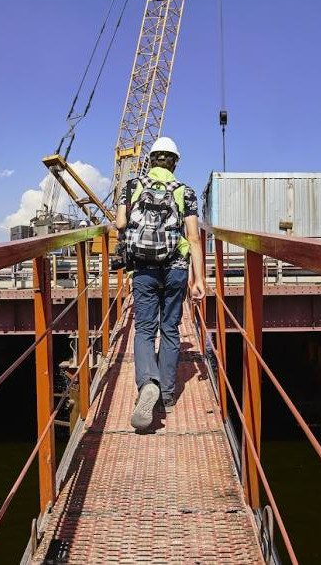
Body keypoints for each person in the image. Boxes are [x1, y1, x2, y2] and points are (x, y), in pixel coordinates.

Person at [114, 136, 205, 431]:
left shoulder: (132, 186)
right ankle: (166, 395)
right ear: (175, 163)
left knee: (144, 329)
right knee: (169, 329)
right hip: (176, 267)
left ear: (150, 160)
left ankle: (147, 383)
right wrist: (199, 279)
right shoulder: (185, 191)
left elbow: (120, 224)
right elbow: (193, 238)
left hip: (143, 267)